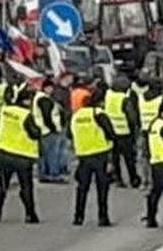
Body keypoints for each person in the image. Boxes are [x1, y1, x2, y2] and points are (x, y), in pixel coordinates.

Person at [0, 89, 44, 223]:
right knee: (26, 186)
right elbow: (34, 133)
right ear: (26, 101)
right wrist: (39, 129)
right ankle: (30, 214)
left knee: (2, 184)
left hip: (3, 152)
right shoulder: (26, 115)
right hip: (22, 156)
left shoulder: (5, 111)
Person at [70, 83, 119, 226]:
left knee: (82, 188)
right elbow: (111, 133)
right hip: (100, 153)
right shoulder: (98, 114)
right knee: (102, 188)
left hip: (83, 155)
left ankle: (78, 216)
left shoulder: (77, 116)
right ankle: (103, 217)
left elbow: (70, 133)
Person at [104, 74, 143, 189]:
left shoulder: (108, 95)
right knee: (129, 158)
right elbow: (131, 115)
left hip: (111, 130)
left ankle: (118, 179)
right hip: (124, 131)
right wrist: (135, 126)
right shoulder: (124, 99)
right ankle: (133, 178)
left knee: (115, 157)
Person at [39, 74, 73, 183]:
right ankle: (54, 173)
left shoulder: (45, 98)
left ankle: (46, 173)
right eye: (49, 88)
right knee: (52, 153)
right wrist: (53, 128)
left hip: (46, 129)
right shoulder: (44, 99)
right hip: (48, 129)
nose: (51, 90)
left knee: (46, 153)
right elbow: (47, 116)